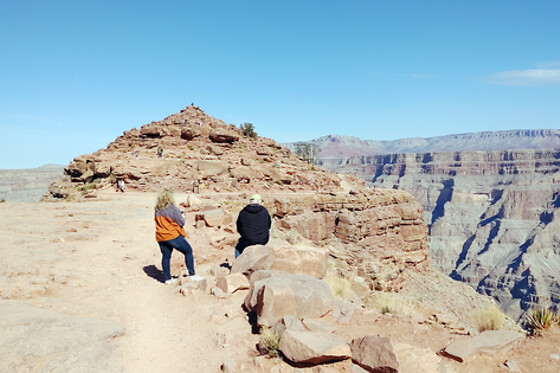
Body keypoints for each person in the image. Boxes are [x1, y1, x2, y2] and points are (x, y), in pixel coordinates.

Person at [154, 188, 202, 283]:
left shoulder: (157, 209)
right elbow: (181, 222)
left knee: (166, 256)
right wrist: (183, 216)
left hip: (160, 236)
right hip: (172, 235)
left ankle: (168, 279)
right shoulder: (172, 208)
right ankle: (192, 274)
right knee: (188, 251)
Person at [235, 193, 271, 258]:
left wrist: (244, 234)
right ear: (259, 201)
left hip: (248, 240)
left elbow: (239, 226)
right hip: (263, 239)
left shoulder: (243, 212)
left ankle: (238, 262)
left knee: (238, 247)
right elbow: (269, 225)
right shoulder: (265, 211)